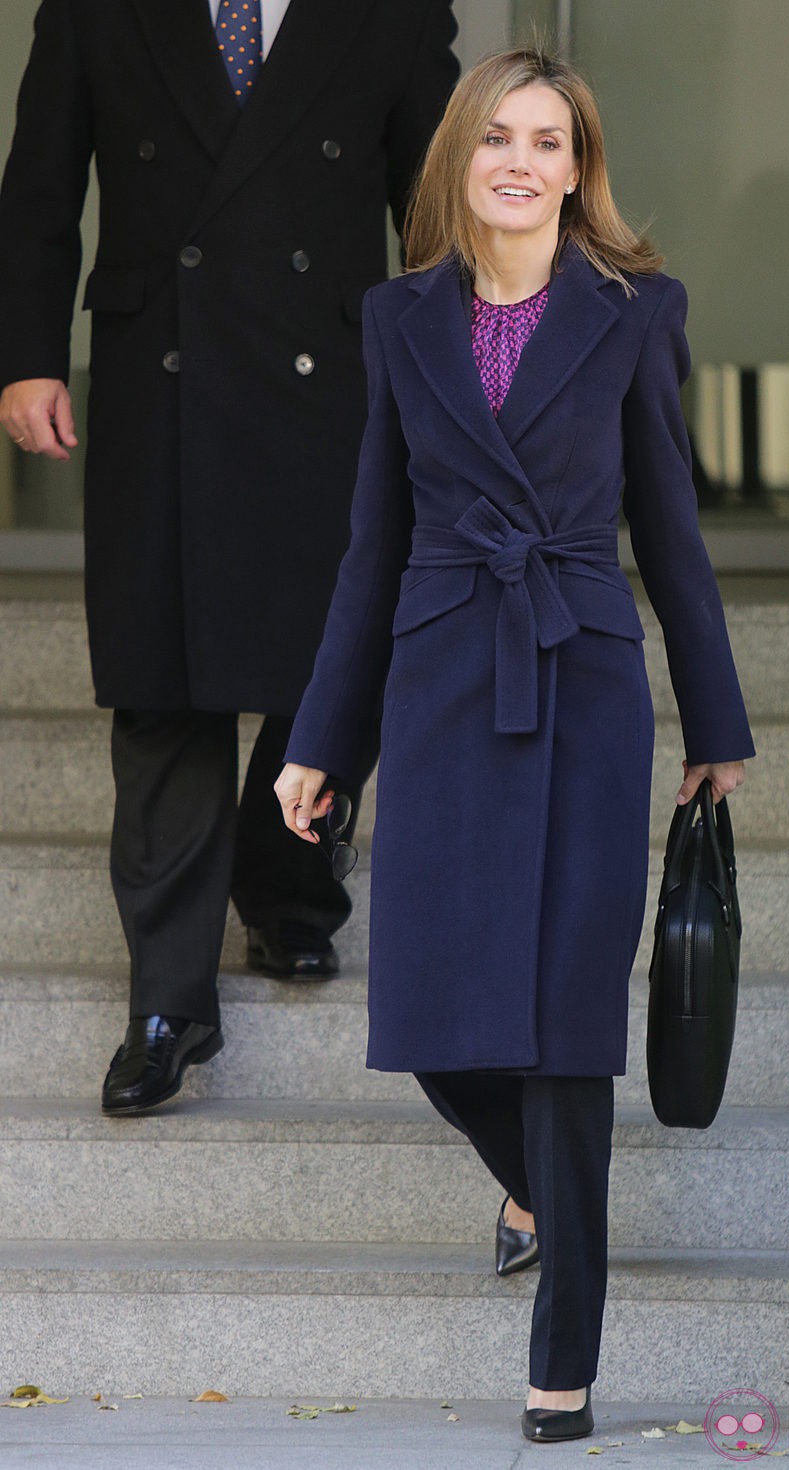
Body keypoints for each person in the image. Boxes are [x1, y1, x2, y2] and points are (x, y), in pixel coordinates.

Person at [275, 47, 754, 1443]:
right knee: (430, 1017)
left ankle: (564, 1364)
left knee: (563, 1036)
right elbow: (374, 549)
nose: (524, 163)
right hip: (438, 685)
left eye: (551, 141)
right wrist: (323, 744)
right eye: (500, 137)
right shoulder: (398, 317)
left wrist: (714, 719)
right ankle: (535, 1184)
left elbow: (671, 531)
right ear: (461, 163)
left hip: (584, 687)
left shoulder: (634, 312)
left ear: (579, 168)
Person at [0, 0, 458, 1115]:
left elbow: (434, 205)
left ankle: (290, 883)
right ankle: (165, 1004)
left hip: (330, 378)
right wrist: (24, 355)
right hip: (161, 374)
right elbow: (40, 188)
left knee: (329, 655)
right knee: (164, 680)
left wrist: (469, 366)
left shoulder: (393, 10)